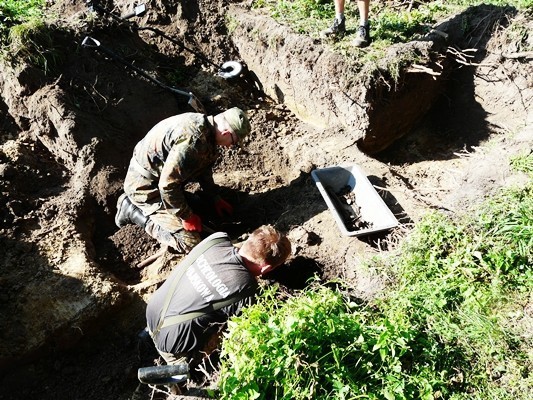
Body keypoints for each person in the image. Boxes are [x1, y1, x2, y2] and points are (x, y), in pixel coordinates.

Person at [145, 225, 292, 366]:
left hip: (153, 311)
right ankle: (178, 371)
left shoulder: (216, 239)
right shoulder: (246, 290)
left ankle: (146, 337)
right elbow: (247, 328)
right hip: (173, 346)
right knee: (225, 336)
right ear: (266, 268)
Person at [114, 107, 251, 253]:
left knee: (202, 208)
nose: (230, 147)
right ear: (226, 133)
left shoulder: (207, 130)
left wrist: (214, 197)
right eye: (234, 142)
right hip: (144, 188)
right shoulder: (193, 140)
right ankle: (131, 209)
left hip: (161, 181)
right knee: (191, 242)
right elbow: (167, 185)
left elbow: (203, 169)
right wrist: (187, 217)